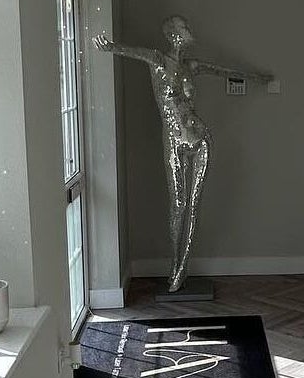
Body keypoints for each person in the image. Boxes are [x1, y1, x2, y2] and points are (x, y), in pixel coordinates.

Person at [94, 16, 272, 292]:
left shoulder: (193, 66)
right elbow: (128, 51)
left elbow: (224, 70)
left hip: (201, 138)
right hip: (174, 141)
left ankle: (181, 269)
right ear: (174, 35)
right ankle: (175, 264)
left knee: (195, 204)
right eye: (185, 27)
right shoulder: (157, 60)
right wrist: (110, 47)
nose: (190, 31)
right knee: (178, 207)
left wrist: (256, 77)